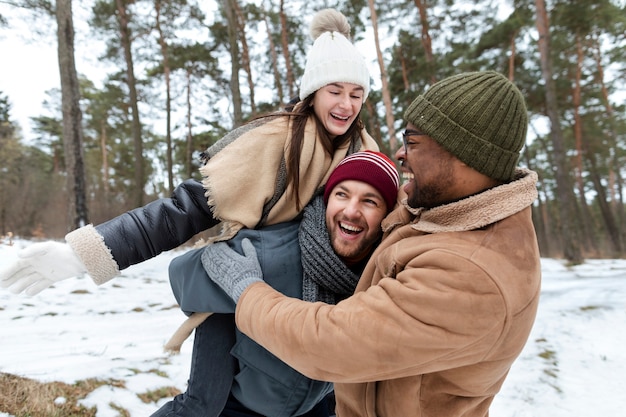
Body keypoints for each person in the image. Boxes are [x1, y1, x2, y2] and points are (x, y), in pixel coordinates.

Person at [201, 71, 543, 417]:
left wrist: (246, 290)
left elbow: (330, 344)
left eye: (413, 141)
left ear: (464, 155)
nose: (400, 152)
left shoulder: (472, 272)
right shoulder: (449, 220)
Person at [0, 8, 376, 295]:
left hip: (323, 305)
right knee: (205, 400)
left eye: (356, 94)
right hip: (244, 284)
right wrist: (84, 255)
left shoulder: (366, 153)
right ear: (313, 92)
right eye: (335, 91)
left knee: (321, 400)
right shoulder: (275, 140)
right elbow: (186, 208)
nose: (346, 104)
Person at [154, 150, 399, 417]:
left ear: (387, 214)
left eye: (370, 201)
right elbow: (183, 274)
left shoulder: (380, 276)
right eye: (342, 194)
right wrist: (233, 279)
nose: (351, 211)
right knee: (199, 408)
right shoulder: (273, 251)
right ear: (327, 199)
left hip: (313, 400)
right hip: (237, 401)